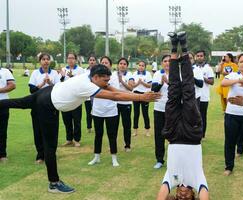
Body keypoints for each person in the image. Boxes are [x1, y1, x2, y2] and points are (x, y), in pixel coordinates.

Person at [0, 64, 160, 193]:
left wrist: (137, 95)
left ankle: (54, 182)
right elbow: (115, 96)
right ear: (96, 77)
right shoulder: (86, 85)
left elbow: (114, 91)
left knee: (18, 103)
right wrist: (140, 97)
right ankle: (53, 183)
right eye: (105, 80)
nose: (107, 83)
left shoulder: (90, 76)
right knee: (50, 146)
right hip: (47, 105)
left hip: (48, 93)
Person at [157, 31, 208, 200]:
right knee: (188, 91)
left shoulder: (170, 179)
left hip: (173, 134)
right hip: (193, 134)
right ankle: (184, 47)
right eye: (187, 199)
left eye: (179, 198)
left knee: (173, 91)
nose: (182, 195)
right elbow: (205, 195)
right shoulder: (197, 179)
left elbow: (161, 196)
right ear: (193, 195)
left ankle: (173, 47)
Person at [88, 56, 120, 167]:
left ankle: (114, 158)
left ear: (110, 65)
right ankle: (96, 156)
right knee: (98, 134)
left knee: (112, 135)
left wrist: (106, 84)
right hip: (97, 110)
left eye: (106, 62)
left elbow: (115, 92)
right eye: (102, 62)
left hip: (111, 110)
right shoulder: (95, 77)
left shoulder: (114, 77)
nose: (104, 64)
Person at [28, 53, 60, 164]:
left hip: (52, 106)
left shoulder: (55, 73)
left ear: (50, 61)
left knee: (52, 131)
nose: (46, 61)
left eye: (47, 59)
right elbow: (32, 91)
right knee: (38, 130)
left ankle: (51, 153)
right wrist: (42, 84)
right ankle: (40, 155)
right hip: (37, 106)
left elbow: (59, 89)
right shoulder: (35, 73)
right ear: (40, 61)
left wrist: (50, 82)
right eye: (43, 59)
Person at [60, 53, 85, 147]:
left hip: (76, 99)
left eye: (72, 58)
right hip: (65, 99)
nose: (70, 60)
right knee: (67, 120)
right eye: (69, 58)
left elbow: (83, 84)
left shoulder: (80, 70)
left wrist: (72, 77)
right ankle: (69, 139)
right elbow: (60, 84)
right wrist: (62, 77)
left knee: (77, 120)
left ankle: (77, 139)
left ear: (76, 59)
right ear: (67, 59)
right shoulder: (63, 69)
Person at [152, 54, 170, 169]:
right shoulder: (157, 74)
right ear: (162, 63)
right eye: (165, 61)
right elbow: (153, 90)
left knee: (173, 135)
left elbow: (180, 90)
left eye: (169, 61)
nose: (167, 63)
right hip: (159, 108)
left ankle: (174, 159)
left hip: (173, 109)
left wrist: (168, 82)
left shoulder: (177, 74)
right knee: (159, 135)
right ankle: (159, 159)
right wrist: (161, 83)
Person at [115, 57, 134, 152]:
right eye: (120, 63)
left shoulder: (130, 74)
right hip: (115, 103)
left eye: (124, 64)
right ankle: (113, 145)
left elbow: (131, 88)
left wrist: (121, 81)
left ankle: (127, 145)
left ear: (127, 66)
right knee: (114, 125)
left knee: (126, 126)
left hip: (126, 103)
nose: (122, 65)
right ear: (118, 65)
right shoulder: (113, 74)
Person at [194, 50, 214, 139]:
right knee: (193, 115)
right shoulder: (192, 67)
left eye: (201, 56)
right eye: (197, 56)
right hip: (194, 96)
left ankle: (202, 135)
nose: (199, 57)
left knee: (202, 116)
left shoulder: (208, 68)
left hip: (204, 96)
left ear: (204, 57)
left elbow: (212, 81)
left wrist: (202, 78)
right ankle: (194, 133)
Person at [132, 61, 153, 136]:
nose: (141, 67)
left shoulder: (148, 74)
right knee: (136, 113)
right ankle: (135, 131)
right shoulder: (134, 73)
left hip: (145, 95)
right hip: (136, 94)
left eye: (142, 65)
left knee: (145, 113)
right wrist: (138, 83)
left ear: (145, 67)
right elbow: (132, 86)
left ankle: (147, 131)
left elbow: (150, 85)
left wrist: (142, 83)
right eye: (139, 65)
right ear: (138, 66)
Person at [0, 65, 16, 162]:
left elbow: (12, 85)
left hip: (3, 104)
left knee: (2, 130)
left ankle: (2, 154)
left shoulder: (5, 71)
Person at [84, 55, 97, 133]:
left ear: (95, 61)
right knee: (88, 112)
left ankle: (96, 126)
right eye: (90, 60)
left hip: (96, 95)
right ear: (88, 61)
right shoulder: (85, 71)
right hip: (88, 96)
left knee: (96, 112)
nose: (92, 61)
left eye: (93, 60)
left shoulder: (98, 70)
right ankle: (89, 127)